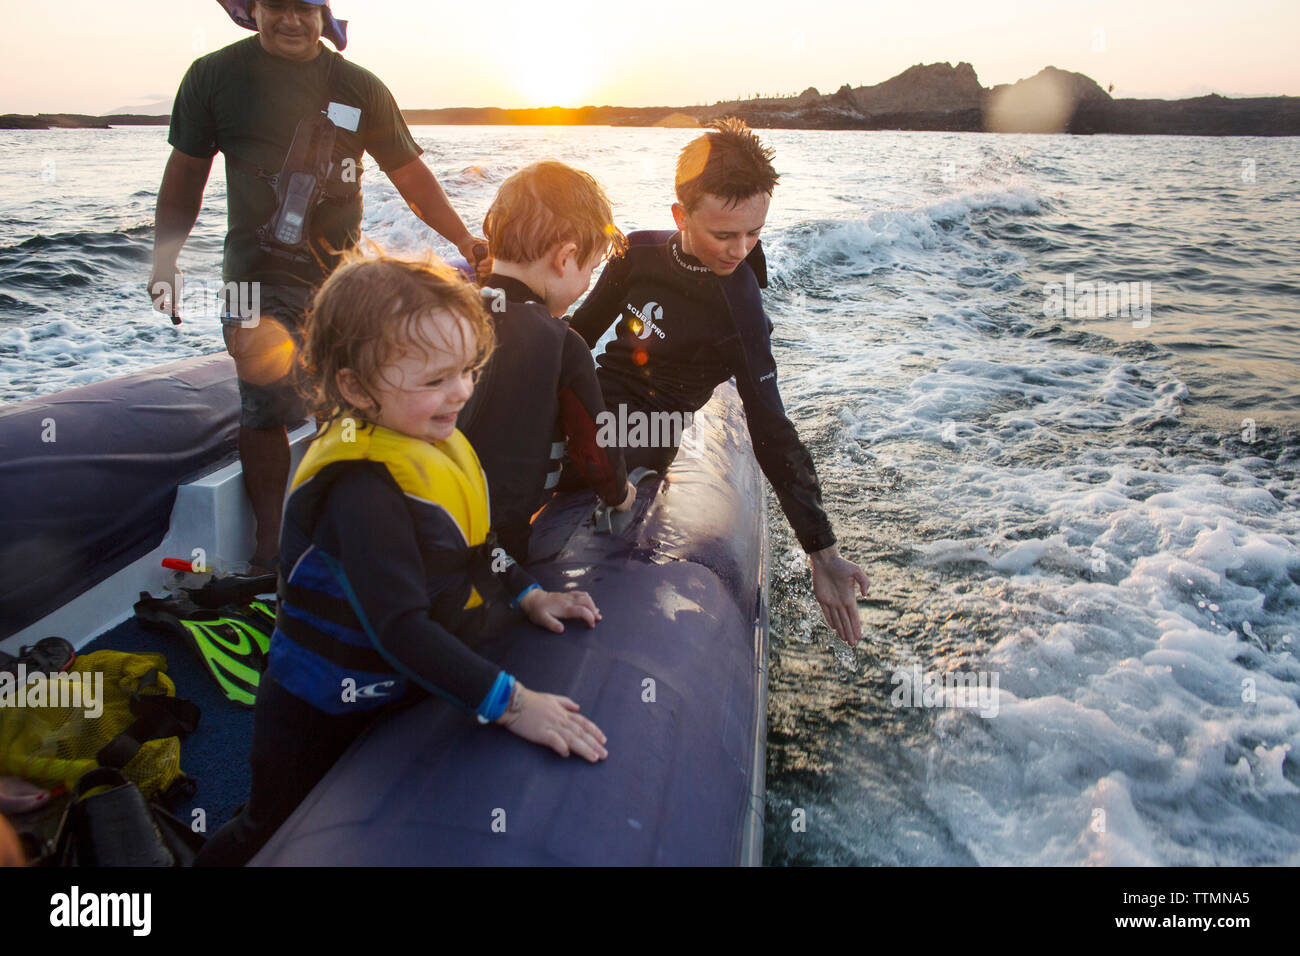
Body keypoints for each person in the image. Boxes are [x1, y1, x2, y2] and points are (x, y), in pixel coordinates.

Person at [195, 252, 607, 866]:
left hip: (392, 687)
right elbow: (398, 626)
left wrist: (528, 593)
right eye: (437, 380)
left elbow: (475, 549)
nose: (462, 391)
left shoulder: (428, 439)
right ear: (356, 387)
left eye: (468, 369)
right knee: (268, 826)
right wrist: (514, 704)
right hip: (318, 708)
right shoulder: (363, 490)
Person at [148, 0, 489, 573]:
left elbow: (411, 179)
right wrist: (166, 261)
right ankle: (269, 551)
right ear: (252, 8)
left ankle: (350, 533)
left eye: (304, 7)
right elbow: (186, 175)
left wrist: (466, 240)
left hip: (340, 283)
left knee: (350, 400)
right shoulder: (213, 77)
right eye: (277, 6)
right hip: (252, 277)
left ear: (322, 11)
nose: (291, 20)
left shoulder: (358, 86)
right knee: (263, 406)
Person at [570, 118, 872, 645]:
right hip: (598, 396)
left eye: (754, 233)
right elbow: (577, 337)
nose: (739, 250)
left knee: (578, 453)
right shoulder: (636, 254)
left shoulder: (741, 310)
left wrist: (822, 551)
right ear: (680, 215)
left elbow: (772, 428)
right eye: (724, 234)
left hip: (648, 432)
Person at [458, 161, 636, 561]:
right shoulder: (562, 345)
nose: (587, 282)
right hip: (498, 539)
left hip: (426, 515)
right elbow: (594, 450)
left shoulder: (443, 313)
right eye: (590, 269)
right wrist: (621, 494)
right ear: (566, 258)